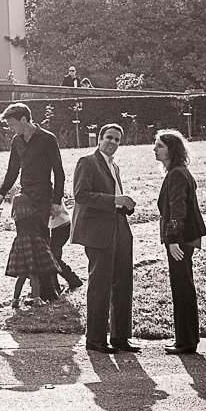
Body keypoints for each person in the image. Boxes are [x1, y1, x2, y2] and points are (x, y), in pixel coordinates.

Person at [72, 124, 138, 353]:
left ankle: (121, 337)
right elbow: (80, 195)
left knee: (123, 283)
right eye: (109, 137)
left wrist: (125, 205)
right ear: (99, 139)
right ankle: (96, 339)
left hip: (119, 226)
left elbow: (115, 198)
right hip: (97, 231)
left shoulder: (114, 166)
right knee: (100, 285)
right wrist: (114, 200)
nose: (113, 142)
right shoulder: (87, 162)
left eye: (117, 140)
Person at [0, 104, 64, 302]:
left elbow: (59, 172)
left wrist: (57, 201)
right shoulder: (17, 141)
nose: (10, 128)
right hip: (24, 198)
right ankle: (37, 289)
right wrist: (2, 193)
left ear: (24, 119)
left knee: (41, 242)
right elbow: (12, 170)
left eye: (12, 124)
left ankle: (48, 290)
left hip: (43, 196)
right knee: (26, 242)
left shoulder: (48, 139)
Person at [155, 129, 206, 355]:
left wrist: (172, 239)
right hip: (185, 239)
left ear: (171, 150)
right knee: (185, 286)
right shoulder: (180, 171)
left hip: (180, 240)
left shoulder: (176, 174)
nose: (155, 149)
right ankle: (187, 338)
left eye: (160, 146)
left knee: (182, 288)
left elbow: (178, 209)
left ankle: (185, 341)